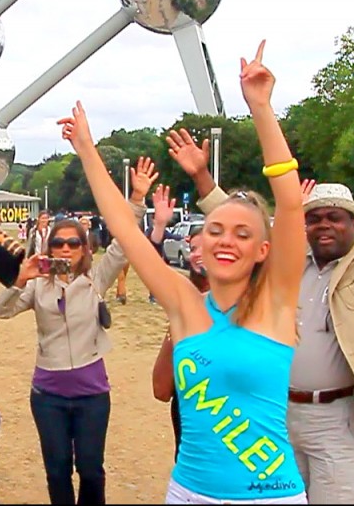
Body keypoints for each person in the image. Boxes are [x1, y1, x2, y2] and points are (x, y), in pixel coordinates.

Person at [61, 41, 309, 504]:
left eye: (241, 233)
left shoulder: (278, 303)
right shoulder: (184, 305)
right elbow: (124, 229)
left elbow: (290, 201)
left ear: (263, 250)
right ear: (200, 242)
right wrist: (88, 151)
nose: (225, 240)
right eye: (215, 230)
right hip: (188, 493)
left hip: (269, 495)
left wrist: (260, 107)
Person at [178, 115, 354, 503]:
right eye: (314, 218)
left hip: (341, 422)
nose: (323, 225)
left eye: (335, 218)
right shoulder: (288, 267)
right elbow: (243, 226)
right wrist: (202, 178)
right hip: (278, 415)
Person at [0, 158, 153, 506]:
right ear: (49, 248)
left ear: (85, 248)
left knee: (92, 469)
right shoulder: (38, 286)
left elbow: (122, 243)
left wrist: (137, 199)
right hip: (48, 393)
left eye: (73, 243)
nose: (65, 249)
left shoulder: (95, 280)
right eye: (58, 243)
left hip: (91, 392)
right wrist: (19, 279)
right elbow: (1, 310)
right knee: (57, 470)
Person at [150, 185, 209, 462]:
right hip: (188, 420)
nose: (197, 254)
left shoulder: (250, 300)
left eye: (206, 248)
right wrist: (158, 227)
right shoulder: (183, 298)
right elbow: (161, 390)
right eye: (193, 248)